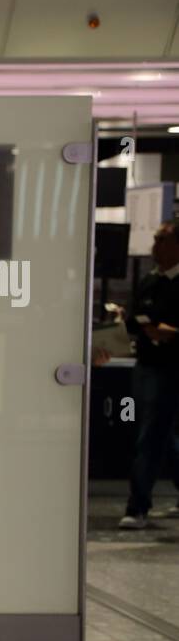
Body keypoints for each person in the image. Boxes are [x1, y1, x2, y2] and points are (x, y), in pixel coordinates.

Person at [119, 221, 179, 529]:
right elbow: (134, 319)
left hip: (171, 369)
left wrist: (169, 334)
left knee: (151, 436)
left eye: (162, 240)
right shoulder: (149, 282)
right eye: (155, 240)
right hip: (145, 366)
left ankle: (137, 506)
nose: (155, 246)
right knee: (160, 435)